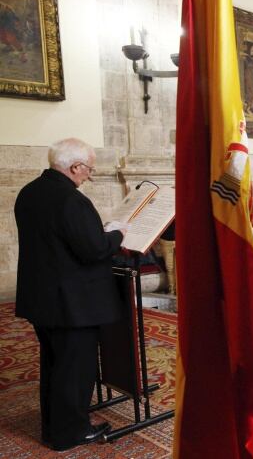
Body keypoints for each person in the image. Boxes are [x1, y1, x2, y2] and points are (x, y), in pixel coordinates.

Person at [15, 138, 126, 450]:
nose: (88, 175)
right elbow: (93, 249)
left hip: (42, 299)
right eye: (88, 169)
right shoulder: (71, 200)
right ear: (75, 167)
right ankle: (70, 432)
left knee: (54, 364)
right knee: (75, 369)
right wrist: (117, 233)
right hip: (73, 303)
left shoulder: (30, 192)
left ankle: (53, 427)